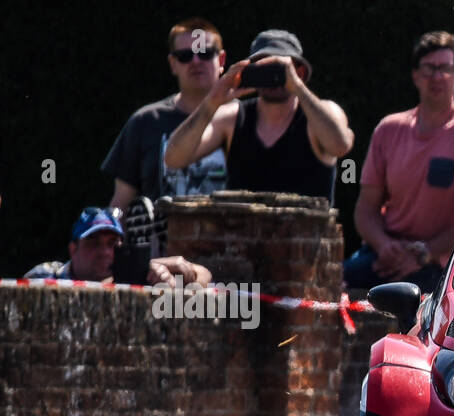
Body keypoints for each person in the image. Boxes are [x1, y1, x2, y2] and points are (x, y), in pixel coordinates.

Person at [344, 31, 454, 292]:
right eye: (429, 68)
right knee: (326, 289)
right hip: (386, 256)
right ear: (415, 75)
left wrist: (426, 252)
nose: (437, 77)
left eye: (445, 68)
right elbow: (365, 209)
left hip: (445, 263)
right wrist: (384, 245)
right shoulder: (388, 129)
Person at [164, 29, 353, 202]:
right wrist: (212, 102)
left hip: (306, 236)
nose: (272, 77)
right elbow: (173, 159)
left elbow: (340, 145)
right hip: (243, 237)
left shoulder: (320, 114)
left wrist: (297, 87)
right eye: (263, 68)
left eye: (277, 69)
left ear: (300, 73)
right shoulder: (232, 119)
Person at [102, 18, 229, 210]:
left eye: (204, 53)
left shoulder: (244, 117)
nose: (195, 61)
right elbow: (121, 204)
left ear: (221, 60)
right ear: (172, 63)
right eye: (185, 56)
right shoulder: (145, 121)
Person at [25, 207, 210, 285]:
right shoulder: (44, 275)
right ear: (73, 249)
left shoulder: (134, 276)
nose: (105, 252)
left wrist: (180, 271)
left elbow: (206, 275)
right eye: (94, 243)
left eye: (113, 243)